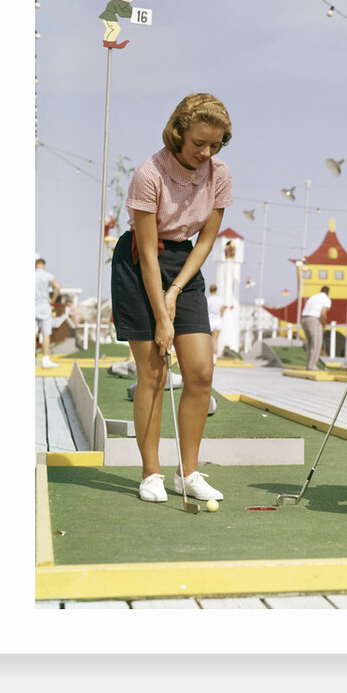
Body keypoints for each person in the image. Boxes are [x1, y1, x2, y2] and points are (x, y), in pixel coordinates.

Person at [110, 93, 233, 503]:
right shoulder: (149, 173)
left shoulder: (219, 174)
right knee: (154, 374)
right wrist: (162, 316)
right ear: (179, 132)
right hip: (140, 263)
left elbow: (207, 239)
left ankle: (188, 473)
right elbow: (146, 252)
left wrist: (177, 290)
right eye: (199, 142)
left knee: (200, 371)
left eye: (215, 144)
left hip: (185, 266)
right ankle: (151, 473)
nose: (206, 152)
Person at [35, 258, 60, 368]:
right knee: (46, 333)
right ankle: (45, 359)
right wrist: (52, 300)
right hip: (44, 305)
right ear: (43, 265)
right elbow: (57, 287)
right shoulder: (48, 275)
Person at [301, 286, 331, 371]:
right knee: (316, 344)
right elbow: (323, 313)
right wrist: (324, 325)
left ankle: (309, 365)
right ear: (328, 293)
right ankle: (312, 366)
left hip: (304, 319)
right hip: (313, 320)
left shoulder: (313, 297)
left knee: (310, 344)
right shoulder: (326, 298)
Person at [207, 284, 227, 363]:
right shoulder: (220, 300)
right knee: (215, 340)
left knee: (210, 340)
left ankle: (210, 358)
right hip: (218, 320)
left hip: (210, 320)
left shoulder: (208, 300)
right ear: (216, 290)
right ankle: (214, 359)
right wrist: (220, 316)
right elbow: (222, 310)